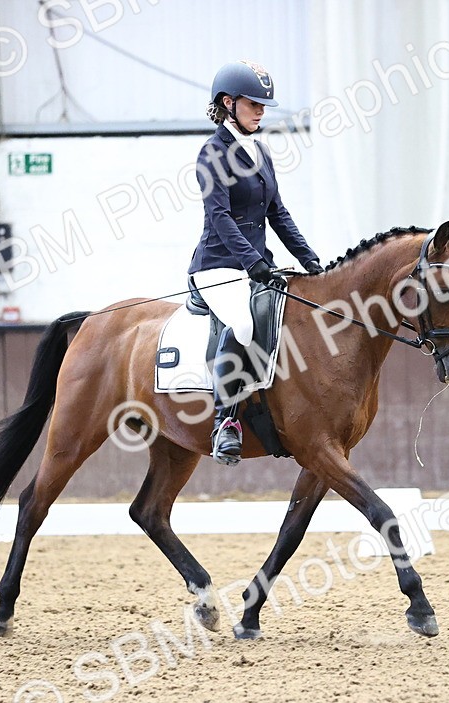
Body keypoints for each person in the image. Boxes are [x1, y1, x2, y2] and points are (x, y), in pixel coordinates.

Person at [188, 60, 324, 465]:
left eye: (265, 105)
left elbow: (277, 213)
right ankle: (225, 422)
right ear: (228, 104)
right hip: (217, 266)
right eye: (253, 104)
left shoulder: (260, 151)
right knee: (243, 323)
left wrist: (310, 259)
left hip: (254, 264)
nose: (261, 111)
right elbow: (221, 218)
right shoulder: (211, 154)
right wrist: (253, 264)